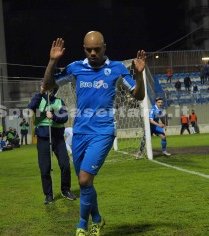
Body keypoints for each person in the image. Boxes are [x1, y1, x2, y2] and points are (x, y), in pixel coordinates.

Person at [42, 31, 145, 236]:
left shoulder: (116, 69)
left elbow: (139, 96)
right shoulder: (75, 68)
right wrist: (52, 62)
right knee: (86, 181)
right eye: (88, 49)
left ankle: (82, 225)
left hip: (103, 132)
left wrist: (139, 74)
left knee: (83, 180)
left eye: (96, 49)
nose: (92, 53)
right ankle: (97, 219)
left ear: (104, 47)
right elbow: (47, 85)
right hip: (80, 132)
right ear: (84, 49)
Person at [28, 86, 76, 205]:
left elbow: (64, 117)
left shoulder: (59, 101)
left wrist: (53, 116)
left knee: (65, 165)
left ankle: (66, 190)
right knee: (45, 168)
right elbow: (31, 107)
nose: (51, 91)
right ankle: (48, 195)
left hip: (58, 138)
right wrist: (40, 92)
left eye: (52, 89)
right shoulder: (39, 99)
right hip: (43, 138)